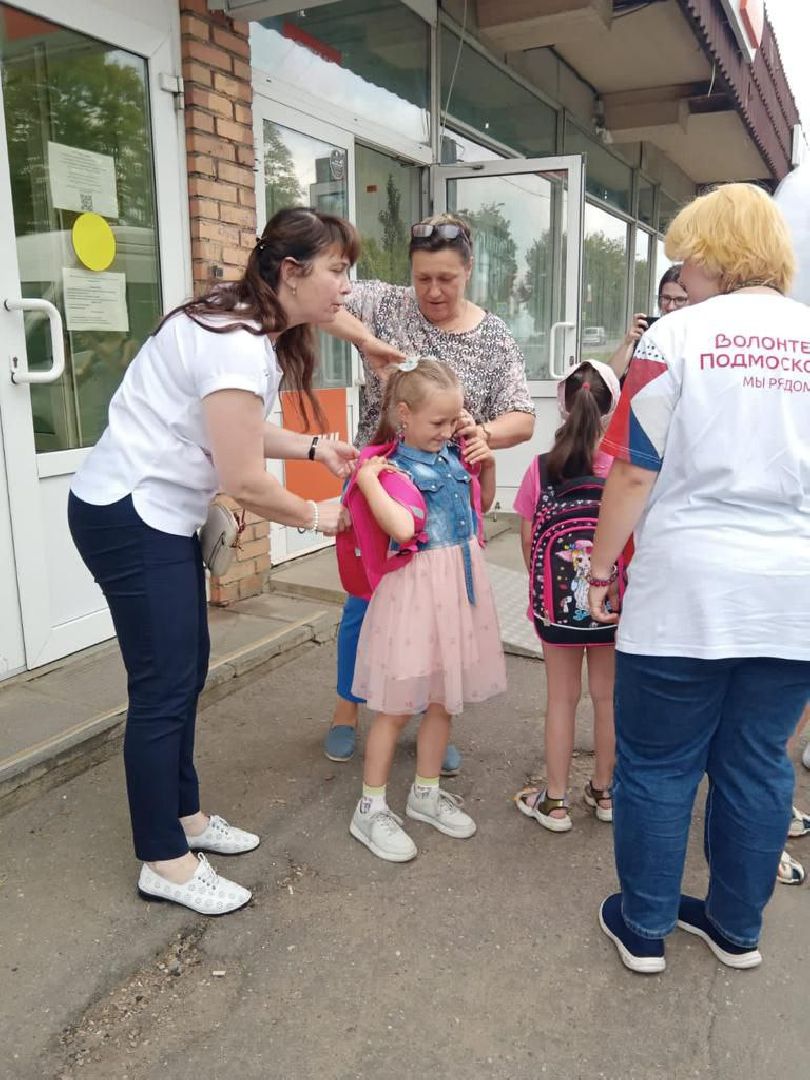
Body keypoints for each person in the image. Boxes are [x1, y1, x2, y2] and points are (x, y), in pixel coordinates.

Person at [68, 207, 359, 915]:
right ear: (291, 272)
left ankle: (186, 818)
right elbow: (245, 476)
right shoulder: (234, 340)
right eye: (337, 270)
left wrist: (315, 449)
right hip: (129, 513)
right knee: (163, 684)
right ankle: (163, 862)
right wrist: (318, 513)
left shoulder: (241, 327)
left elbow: (232, 424)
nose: (346, 288)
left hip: (157, 513)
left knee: (185, 668)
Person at [586, 183, 810, 974]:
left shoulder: (673, 338)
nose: (683, 267)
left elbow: (634, 473)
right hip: (792, 599)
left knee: (658, 763)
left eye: (688, 254)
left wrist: (600, 568)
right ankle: (735, 928)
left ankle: (644, 927)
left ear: (716, 255)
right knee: (756, 762)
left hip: (685, 590)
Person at [321, 213, 535, 771]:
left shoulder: (492, 335)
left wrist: (478, 433)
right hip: (382, 486)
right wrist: (367, 342)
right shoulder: (387, 304)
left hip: (445, 494)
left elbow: (524, 417)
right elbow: (316, 300)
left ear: (468, 270)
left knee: (436, 616)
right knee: (364, 603)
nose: (433, 292)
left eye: (446, 278)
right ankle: (349, 709)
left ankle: (431, 717)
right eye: (423, 279)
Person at [348, 359, 506, 862]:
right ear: (403, 415)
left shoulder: (455, 457)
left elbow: (483, 504)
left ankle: (425, 792)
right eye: (437, 422)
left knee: (443, 699)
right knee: (395, 706)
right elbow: (400, 527)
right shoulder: (391, 469)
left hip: (457, 594)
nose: (447, 430)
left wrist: (488, 458)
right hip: (416, 599)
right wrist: (368, 482)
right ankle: (370, 809)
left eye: (453, 420)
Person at [512, 359, 621, 833]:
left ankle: (554, 802)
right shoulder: (624, 470)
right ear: (612, 410)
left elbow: (528, 541)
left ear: (562, 406)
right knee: (607, 699)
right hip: (611, 606)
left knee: (561, 699)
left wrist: (545, 595)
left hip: (555, 610)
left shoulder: (540, 469)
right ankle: (604, 792)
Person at [608, 266, 688, 379]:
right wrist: (628, 342)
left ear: (693, 300)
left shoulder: (700, 338)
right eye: (666, 298)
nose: (671, 306)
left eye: (679, 300)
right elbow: (610, 378)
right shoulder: (650, 333)